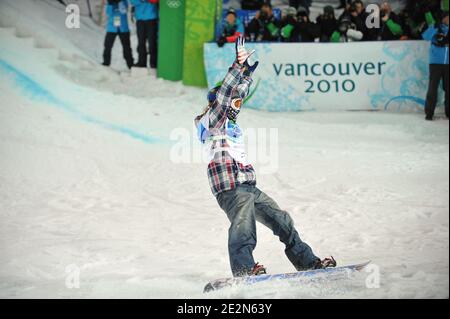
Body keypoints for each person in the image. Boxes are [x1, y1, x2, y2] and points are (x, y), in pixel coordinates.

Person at [194, 36, 336, 277]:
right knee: (243, 226)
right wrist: (237, 67)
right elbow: (228, 93)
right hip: (230, 187)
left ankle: (307, 262)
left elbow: (237, 95)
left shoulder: (228, 120)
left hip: (246, 185)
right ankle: (244, 269)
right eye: (231, 103)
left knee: (282, 221)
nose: (236, 106)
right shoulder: (212, 119)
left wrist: (246, 75)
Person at [422, 11, 449, 120]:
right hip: (435, 62)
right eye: (448, 17)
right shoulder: (436, 27)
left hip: (448, 63)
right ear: (443, 18)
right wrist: (434, 27)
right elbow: (426, 37)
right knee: (433, 88)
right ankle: (429, 112)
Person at [102, 0, 134, 69]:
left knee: (126, 47)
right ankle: (106, 63)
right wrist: (111, 4)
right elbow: (108, 13)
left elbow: (124, 10)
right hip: (112, 27)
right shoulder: (109, 3)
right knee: (107, 46)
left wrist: (119, 2)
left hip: (123, 28)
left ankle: (130, 64)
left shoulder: (124, 1)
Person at [130, 0, 159, 69]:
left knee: (152, 42)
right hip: (140, 19)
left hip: (151, 18)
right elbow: (132, 1)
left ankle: (154, 63)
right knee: (141, 42)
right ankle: (141, 63)